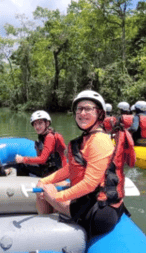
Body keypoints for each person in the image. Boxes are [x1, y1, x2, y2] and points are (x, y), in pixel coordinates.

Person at [36, 90, 135, 237]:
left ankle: (43, 234)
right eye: (79, 109)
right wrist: (44, 180)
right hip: (91, 200)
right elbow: (72, 168)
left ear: (100, 114)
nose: (82, 113)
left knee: (45, 192)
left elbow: (90, 183)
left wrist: (57, 197)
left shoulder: (99, 141)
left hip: (99, 212)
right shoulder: (86, 138)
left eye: (88, 109)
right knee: (45, 185)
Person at [11, 110, 67, 177]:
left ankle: (23, 185)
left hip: (53, 173)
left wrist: (23, 159)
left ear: (47, 123)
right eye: (35, 124)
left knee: (21, 164)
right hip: (49, 169)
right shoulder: (44, 136)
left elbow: (43, 159)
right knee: (17, 163)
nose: (37, 127)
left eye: (40, 123)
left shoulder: (49, 137)